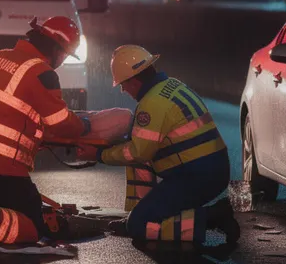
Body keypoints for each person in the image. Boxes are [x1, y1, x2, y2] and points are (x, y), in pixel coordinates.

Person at [0, 17, 91, 249]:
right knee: (33, 226)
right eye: (64, 55)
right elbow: (61, 124)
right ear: (56, 49)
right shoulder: (42, 73)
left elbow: (7, 109)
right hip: (0, 165)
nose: (62, 61)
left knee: (1, 206)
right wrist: (85, 126)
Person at [80, 45, 239, 245]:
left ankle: (211, 217)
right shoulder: (171, 85)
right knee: (141, 178)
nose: (123, 89)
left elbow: (138, 152)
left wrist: (98, 155)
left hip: (196, 178)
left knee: (139, 227)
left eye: (123, 84)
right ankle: (138, 216)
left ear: (134, 81)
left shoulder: (152, 103)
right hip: (211, 169)